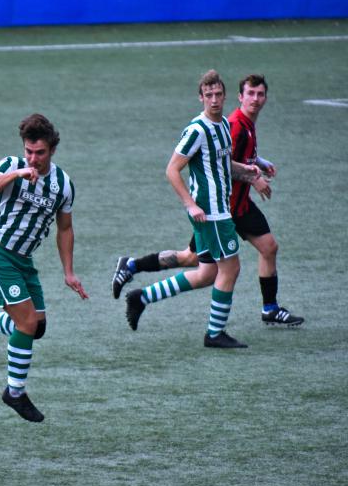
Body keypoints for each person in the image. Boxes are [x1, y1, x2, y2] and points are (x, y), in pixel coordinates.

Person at [112, 74, 303, 328]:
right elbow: (179, 168)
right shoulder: (221, 126)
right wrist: (194, 203)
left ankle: (139, 287)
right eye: (250, 94)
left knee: (207, 267)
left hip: (229, 208)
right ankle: (216, 332)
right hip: (220, 210)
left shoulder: (228, 124)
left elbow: (224, 159)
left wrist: (254, 166)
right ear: (239, 97)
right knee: (219, 267)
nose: (255, 99)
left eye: (260, 94)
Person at [123, 70, 262, 349]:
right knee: (231, 268)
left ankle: (141, 297)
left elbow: (222, 165)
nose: (214, 100)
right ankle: (214, 334)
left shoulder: (223, 126)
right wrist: (191, 204)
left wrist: (247, 170)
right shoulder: (197, 130)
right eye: (208, 95)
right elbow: (172, 170)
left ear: (225, 96)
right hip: (211, 213)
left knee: (207, 273)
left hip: (218, 209)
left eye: (218, 94)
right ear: (201, 98)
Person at [0, 113, 88, 423]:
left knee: (37, 327)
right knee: (27, 323)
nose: (33, 158)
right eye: (29, 151)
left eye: (40, 153)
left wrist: (69, 272)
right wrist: (17, 173)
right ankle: (15, 392)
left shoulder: (63, 185)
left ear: (52, 150)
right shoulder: (11, 165)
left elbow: (65, 228)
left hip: (24, 263)